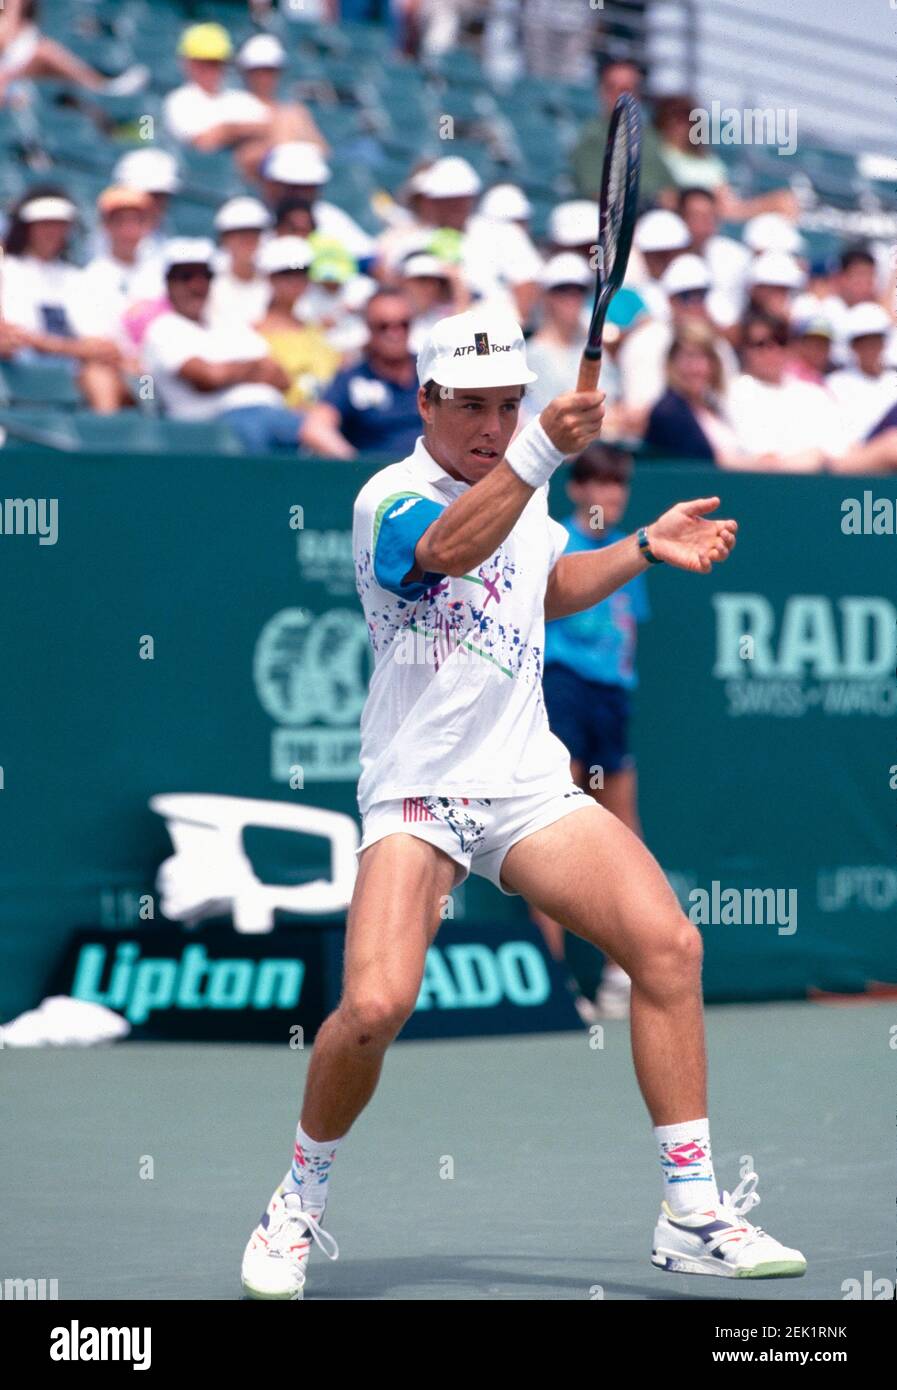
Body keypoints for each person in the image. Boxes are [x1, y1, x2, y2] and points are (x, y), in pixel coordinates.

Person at [240, 303, 807, 1301]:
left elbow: (540, 585)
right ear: (425, 402)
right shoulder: (390, 495)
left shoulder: (524, 491)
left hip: (525, 784)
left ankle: (693, 1210)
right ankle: (296, 1201)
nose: (492, 427)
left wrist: (639, 546)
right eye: (472, 408)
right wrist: (543, 448)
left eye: (509, 407)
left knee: (669, 946)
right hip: (416, 792)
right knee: (375, 1004)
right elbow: (455, 549)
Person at [535, 443, 650, 1021]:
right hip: (563, 689)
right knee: (554, 830)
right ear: (577, 488)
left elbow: (627, 632)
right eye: (599, 483)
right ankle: (556, 986)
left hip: (611, 700)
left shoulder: (630, 553)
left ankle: (619, 976)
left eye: (618, 484)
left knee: (621, 833)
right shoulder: (556, 544)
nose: (610, 495)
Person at [141, 238, 301, 453]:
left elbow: (281, 377)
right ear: (169, 283)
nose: (196, 286)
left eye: (204, 276)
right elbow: (208, 378)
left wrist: (227, 372)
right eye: (185, 277)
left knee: (324, 425)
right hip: (214, 427)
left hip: (274, 413)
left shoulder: (229, 323)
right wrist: (251, 368)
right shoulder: (163, 328)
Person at [0, 187, 127, 412]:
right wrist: (77, 349)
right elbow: (18, 338)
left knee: (143, 378)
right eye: (44, 224)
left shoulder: (80, 277)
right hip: (25, 372)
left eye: (59, 224)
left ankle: (145, 425)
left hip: (134, 373)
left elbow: (102, 344)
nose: (194, 284)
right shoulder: (8, 269)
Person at [727, 311, 897, 473]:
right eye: (761, 344)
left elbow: (846, 449)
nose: (773, 350)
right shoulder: (736, 392)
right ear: (745, 349)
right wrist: (811, 459)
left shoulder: (813, 392)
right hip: (780, 483)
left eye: (781, 341)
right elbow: (760, 459)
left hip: (837, 477)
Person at [300, 290, 421, 459]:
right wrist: (356, 464)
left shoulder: (431, 373)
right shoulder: (352, 377)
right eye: (383, 326)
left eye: (403, 324)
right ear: (368, 327)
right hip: (379, 476)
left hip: (433, 477)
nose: (395, 333)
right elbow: (315, 429)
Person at [643, 320, 759, 467]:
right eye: (688, 358)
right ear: (672, 361)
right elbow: (702, 464)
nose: (697, 368)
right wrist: (762, 464)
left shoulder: (713, 407)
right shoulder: (668, 412)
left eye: (704, 358)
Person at [163, 23, 271, 171]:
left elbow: (273, 124)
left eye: (216, 63)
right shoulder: (179, 100)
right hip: (201, 174)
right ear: (188, 63)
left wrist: (228, 131)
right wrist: (237, 130)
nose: (211, 69)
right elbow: (203, 143)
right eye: (203, 62)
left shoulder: (239, 98)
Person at [0, 0, 146, 103]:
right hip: (9, 59)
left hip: (16, 56)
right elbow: (6, 35)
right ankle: (100, 86)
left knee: (46, 51)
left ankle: (101, 88)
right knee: (46, 51)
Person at [254, 237, 342, 408]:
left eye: (303, 272)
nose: (296, 280)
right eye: (287, 273)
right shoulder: (253, 334)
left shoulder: (316, 330)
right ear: (270, 277)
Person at [570, 58, 670, 208]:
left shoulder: (649, 137)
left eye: (628, 89)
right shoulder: (592, 136)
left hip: (652, 213)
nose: (622, 96)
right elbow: (596, 193)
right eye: (614, 88)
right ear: (602, 93)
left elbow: (670, 189)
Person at [261, 142, 375, 264]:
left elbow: (369, 259)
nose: (300, 195)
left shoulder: (329, 217)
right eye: (292, 186)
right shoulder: (251, 217)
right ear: (270, 184)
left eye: (308, 187)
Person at [80, 187, 163, 343]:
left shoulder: (160, 272)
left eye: (137, 221)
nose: (128, 229)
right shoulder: (91, 278)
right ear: (106, 226)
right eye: (120, 222)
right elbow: (94, 335)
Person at [235, 32, 327, 159]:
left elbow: (323, 151)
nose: (264, 77)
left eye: (270, 70)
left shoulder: (294, 111)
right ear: (246, 72)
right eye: (258, 70)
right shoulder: (235, 103)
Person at [826, 303, 897, 443]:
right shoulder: (836, 384)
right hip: (858, 454)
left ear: (884, 343)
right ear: (853, 346)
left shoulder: (893, 380)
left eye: (875, 341)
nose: (870, 348)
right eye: (862, 343)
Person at [207, 196, 272, 329]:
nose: (247, 241)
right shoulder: (210, 284)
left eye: (253, 234)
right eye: (240, 235)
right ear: (224, 239)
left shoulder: (275, 282)